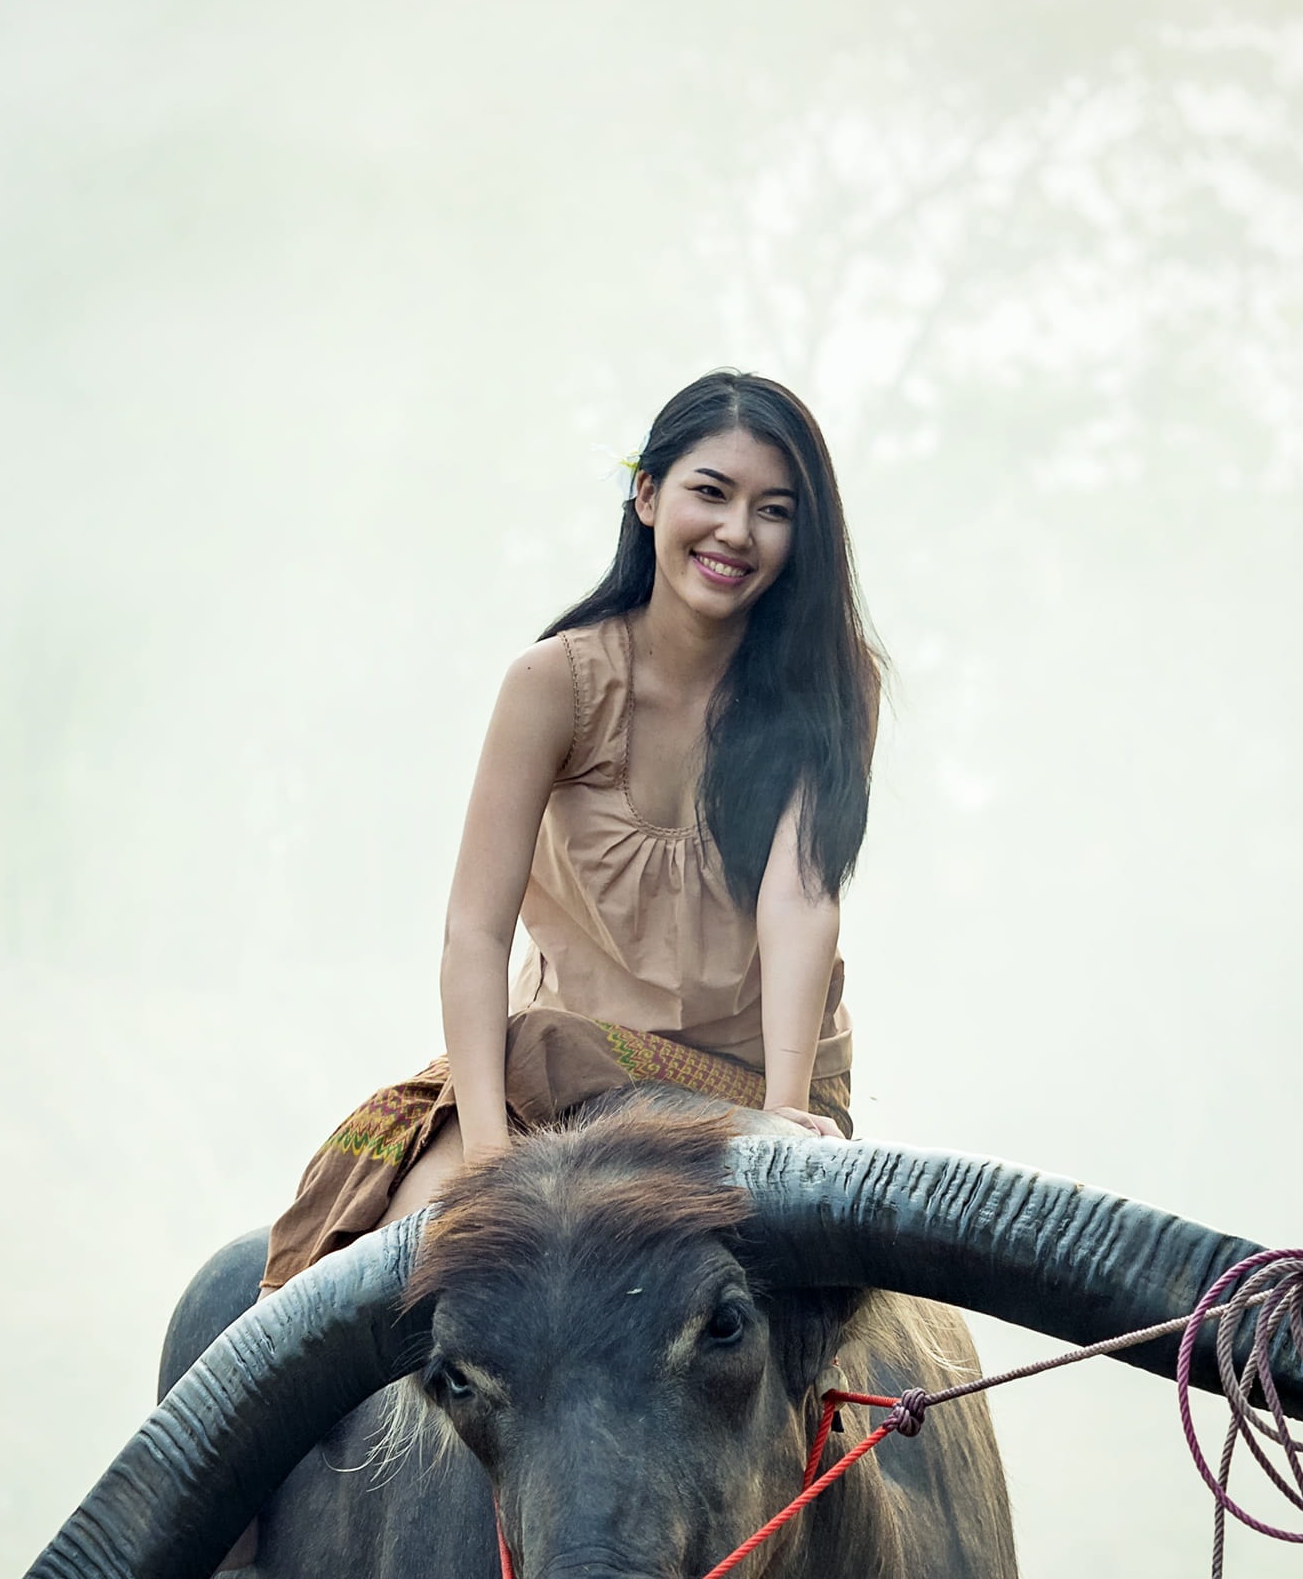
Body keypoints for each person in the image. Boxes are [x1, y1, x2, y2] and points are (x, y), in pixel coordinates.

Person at [260, 372, 875, 1286]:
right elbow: (475, 929)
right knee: (389, 1277)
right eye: (711, 492)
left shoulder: (829, 683)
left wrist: (783, 1118)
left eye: (773, 510)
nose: (737, 533)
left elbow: (801, 899)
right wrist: (489, 1159)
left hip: (754, 1088)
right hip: (561, 1076)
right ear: (647, 494)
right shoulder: (554, 684)